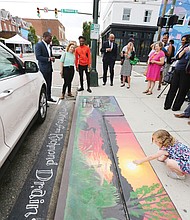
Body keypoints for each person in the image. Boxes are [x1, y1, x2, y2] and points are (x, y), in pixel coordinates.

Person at [164, 44, 190, 111]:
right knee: (173, 87)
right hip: (178, 69)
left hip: (187, 72)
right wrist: (184, 50)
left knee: (182, 90)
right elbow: (178, 57)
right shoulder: (186, 46)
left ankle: (176, 107)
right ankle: (167, 105)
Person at [35, 32, 56, 102]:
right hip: (43, 69)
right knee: (44, 85)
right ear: (44, 37)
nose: (50, 40)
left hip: (49, 68)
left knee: (49, 84)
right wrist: (48, 59)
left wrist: (52, 57)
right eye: (49, 38)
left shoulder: (49, 46)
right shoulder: (39, 45)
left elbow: (49, 54)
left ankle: (49, 97)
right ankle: (44, 100)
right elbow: (38, 57)